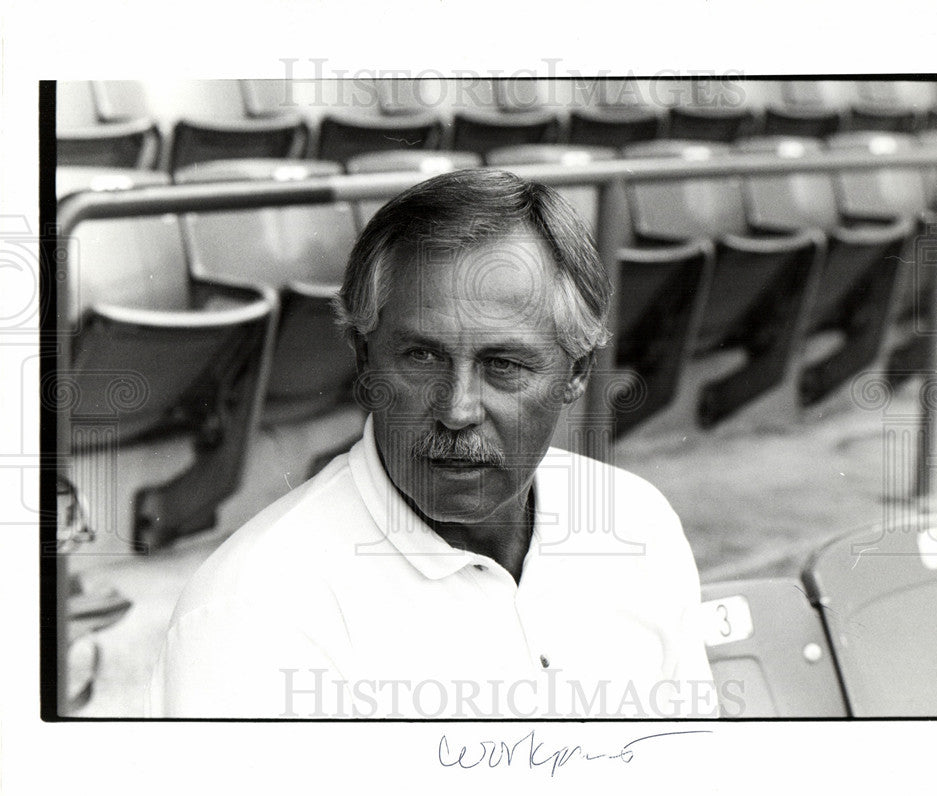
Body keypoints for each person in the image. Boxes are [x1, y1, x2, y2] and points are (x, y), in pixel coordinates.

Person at [148, 169, 717, 719]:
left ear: (576, 372)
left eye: (504, 364)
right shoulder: (257, 610)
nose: (457, 409)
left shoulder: (637, 524)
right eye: (421, 357)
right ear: (363, 358)